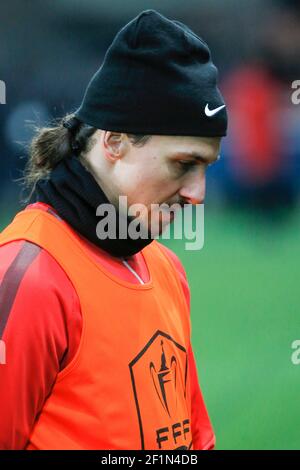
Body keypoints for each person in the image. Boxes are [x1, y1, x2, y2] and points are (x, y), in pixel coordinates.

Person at [0, 9, 227, 450]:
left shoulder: (165, 269)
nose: (198, 193)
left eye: (206, 166)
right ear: (114, 141)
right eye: (184, 164)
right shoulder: (29, 276)